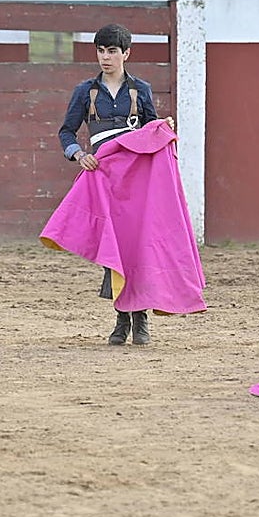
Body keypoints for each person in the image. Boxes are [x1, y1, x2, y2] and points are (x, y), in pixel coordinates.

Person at [57, 23, 173, 346]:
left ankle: (141, 317)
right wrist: (79, 154)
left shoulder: (142, 90)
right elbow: (66, 132)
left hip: (136, 182)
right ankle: (122, 318)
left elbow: (152, 133)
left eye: (111, 51)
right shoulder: (85, 92)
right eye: (100, 51)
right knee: (114, 247)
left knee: (139, 245)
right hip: (105, 178)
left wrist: (165, 128)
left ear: (126, 53)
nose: (105, 58)